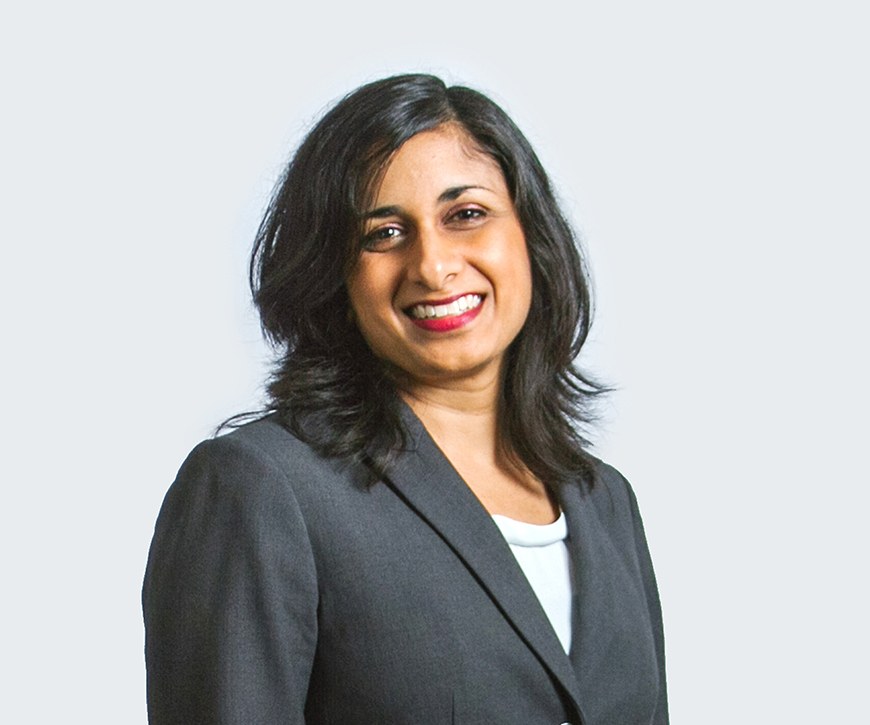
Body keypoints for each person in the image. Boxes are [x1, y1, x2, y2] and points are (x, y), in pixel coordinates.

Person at [143, 73, 668, 725]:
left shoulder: (605, 501)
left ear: (530, 234)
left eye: (466, 215)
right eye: (384, 233)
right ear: (336, 276)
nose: (433, 266)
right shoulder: (262, 488)